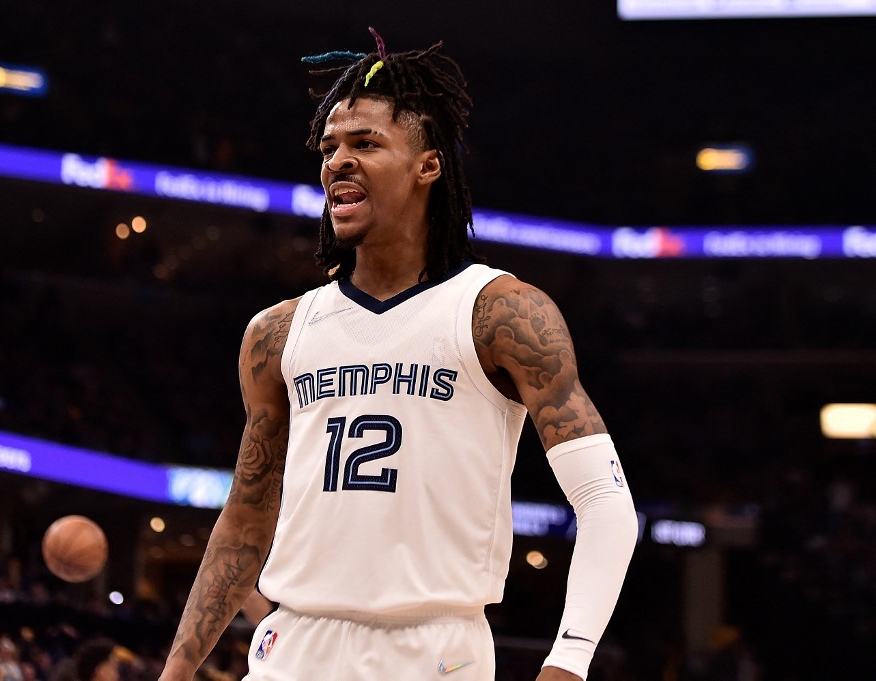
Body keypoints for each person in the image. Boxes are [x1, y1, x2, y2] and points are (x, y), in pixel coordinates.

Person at [160, 31, 638, 681]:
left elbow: (606, 502)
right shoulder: (277, 332)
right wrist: (177, 669)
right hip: (293, 644)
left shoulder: (500, 311)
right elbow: (245, 521)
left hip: (434, 652)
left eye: (365, 143)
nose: (338, 161)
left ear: (428, 165)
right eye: (329, 147)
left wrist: (569, 661)